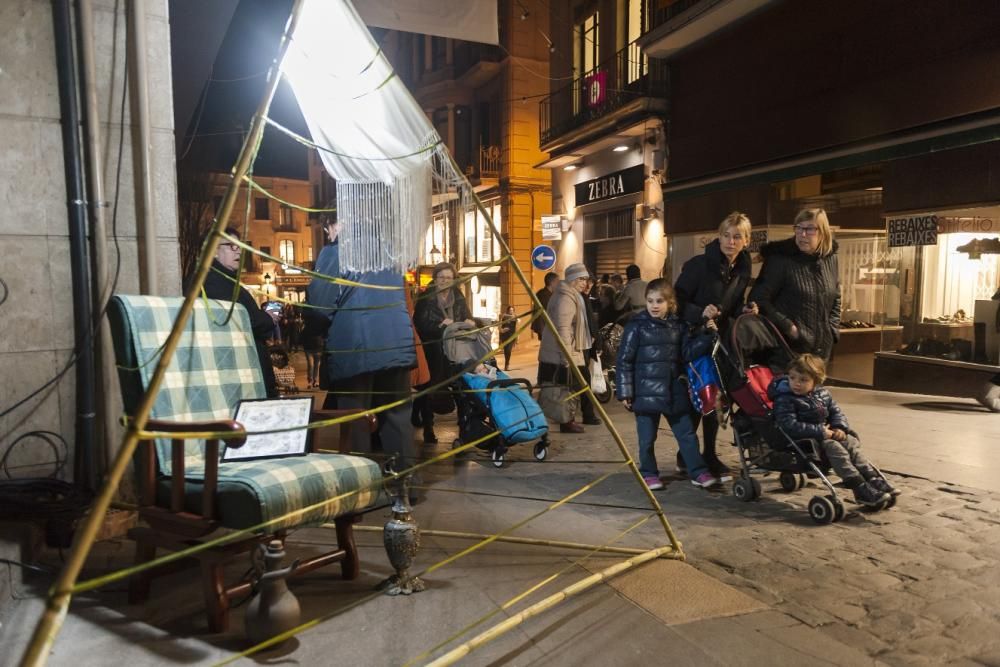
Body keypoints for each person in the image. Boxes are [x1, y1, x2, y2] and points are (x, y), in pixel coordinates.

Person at [309, 217, 418, 474]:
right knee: (398, 419)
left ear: (337, 223)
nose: (329, 234)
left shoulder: (336, 252)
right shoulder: (387, 251)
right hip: (396, 345)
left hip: (355, 348)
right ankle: (406, 487)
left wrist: (313, 331)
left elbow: (319, 307)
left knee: (355, 423)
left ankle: (362, 485)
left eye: (328, 228)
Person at [674, 211, 757, 480]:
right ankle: (688, 455)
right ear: (718, 236)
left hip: (721, 342)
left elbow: (731, 305)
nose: (730, 242)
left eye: (737, 237)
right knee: (700, 398)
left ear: (746, 241)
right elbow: (676, 302)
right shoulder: (699, 265)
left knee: (717, 400)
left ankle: (707, 454)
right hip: (697, 340)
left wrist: (745, 308)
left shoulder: (743, 269)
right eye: (725, 235)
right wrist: (700, 312)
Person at [616, 279, 719, 490]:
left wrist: (707, 335)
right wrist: (626, 391)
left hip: (674, 391)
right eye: (650, 301)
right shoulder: (636, 326)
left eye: (659, 301)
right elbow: (624, 360)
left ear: (670, 302)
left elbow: (686, 354)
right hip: (644, 393)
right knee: (647, 439)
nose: (654, 305)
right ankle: (648, 473)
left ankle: (698, 471)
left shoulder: (679, 326)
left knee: (687, 435)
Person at [769, 354, 900, 506]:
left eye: (803, 380)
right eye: (792, 378)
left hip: (826, 433)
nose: (796, 383)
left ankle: (872, 478)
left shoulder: (823, 394)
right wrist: (820, 431)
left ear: (816, 381)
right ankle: (858, 486)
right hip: (806, 439)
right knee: (836, 448)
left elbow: (836, 412)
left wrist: (839, 427)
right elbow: (788, 425)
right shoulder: (785, 399)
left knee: (850, 443)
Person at [196, 226, 279, 398]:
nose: (239, 251)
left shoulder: (216, 280)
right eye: (232, 246)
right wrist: (270, 318)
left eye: (239, 246)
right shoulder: (218, 283)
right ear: (213, 251)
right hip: (238, 372)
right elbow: (250, 321)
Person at [750, 208, 841, 361]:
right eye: (799, 228)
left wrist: (832, 331)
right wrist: (790, 328)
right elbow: (759, 299)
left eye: (810, 229)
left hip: (821, 353)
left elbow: (836, 297)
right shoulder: (780, 259)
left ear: (823, 232)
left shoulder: (830, 259)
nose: (802, 234)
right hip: (787, 351)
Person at [413, 262, 474, 444]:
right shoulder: (426, 297)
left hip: (455, 350)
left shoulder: (458, 296)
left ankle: (464, 430)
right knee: (429, 390)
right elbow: (420, 324)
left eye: (449, 277)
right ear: (435, 278)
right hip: (433, 352)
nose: (445, 281)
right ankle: (428, 429)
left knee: (460, 390)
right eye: (441, 277)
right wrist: (441, 326)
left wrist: (471, 322)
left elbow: (466, 315)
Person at [538, 262, 600, 433]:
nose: (585, 283)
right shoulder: (566, 298)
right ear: (573, 279)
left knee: (568, 386)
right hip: (563, 352)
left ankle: (568, 420)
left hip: (568, 350)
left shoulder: (570, 295)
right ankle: (566, 420)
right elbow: (563, 329)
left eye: (586, 279)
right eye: (582, 279)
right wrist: (567, 356)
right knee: (566, 387)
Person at [531, 272, 560, 339]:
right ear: (552, 283)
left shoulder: (542, 293)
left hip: (544, 328)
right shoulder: (545, 295)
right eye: (557, 282)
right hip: (545, 328)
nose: (559, 285)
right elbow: (552, 312)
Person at [498, 305, 518, 371]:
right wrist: (502, 330)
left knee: (509, 350)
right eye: (510, 310)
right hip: (505, 336)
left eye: (512, 310)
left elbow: (516, 328)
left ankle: (507, 365)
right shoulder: (504, 316)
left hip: (512, 336)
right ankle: (506, 365)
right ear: (507, 310)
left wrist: (517, 338)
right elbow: (499, 326)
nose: (511, 311)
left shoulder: (515, 317)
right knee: (506, 351)